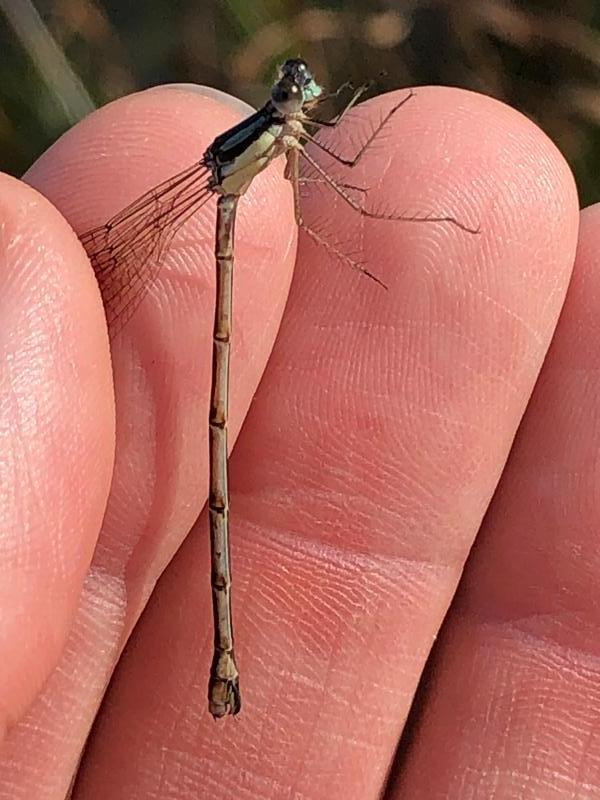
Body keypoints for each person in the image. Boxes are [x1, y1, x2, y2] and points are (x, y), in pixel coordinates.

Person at [0, 81, 593, 798]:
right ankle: (225, 657)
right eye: (294, 97)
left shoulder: (276, 136)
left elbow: (336, 182)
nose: (302, 99)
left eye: (302, 95)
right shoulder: (262, 145)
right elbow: (348, 188)